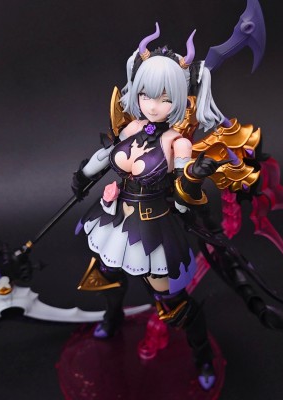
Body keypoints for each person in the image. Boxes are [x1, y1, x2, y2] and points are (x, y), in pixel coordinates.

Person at [71, 24, 233, 390]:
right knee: (107, 275)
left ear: (178, 99)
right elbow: (104, 155)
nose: (152, 105)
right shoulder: (131, 129)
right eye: (145, 94)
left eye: (163, 97)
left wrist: (195, 176)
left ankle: (202, 356)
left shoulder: (178, 143)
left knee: (172, 302)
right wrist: (82, 176)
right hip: (115, 219)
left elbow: (183, 191)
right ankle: (113, 318)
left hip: (153, 227)